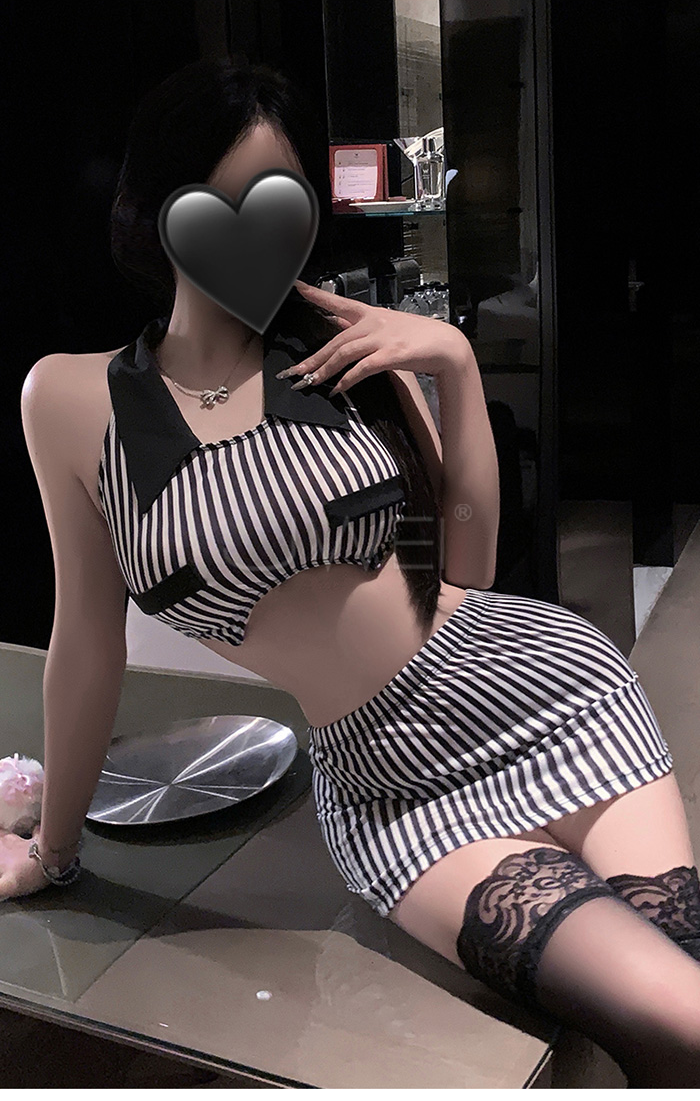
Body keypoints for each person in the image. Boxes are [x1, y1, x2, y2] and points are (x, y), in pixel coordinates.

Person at [5, 56, 700, 1086]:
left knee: (675, 1007)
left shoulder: (343, 350)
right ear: (154, 211)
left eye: (280, 201)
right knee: (667, 1014)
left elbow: (464, 566)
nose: (255, 232)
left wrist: (450, 360)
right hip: (390, 790)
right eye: (219, 201)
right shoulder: (72, 399)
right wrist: (54, 850)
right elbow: (86, 640)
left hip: (545, 691)